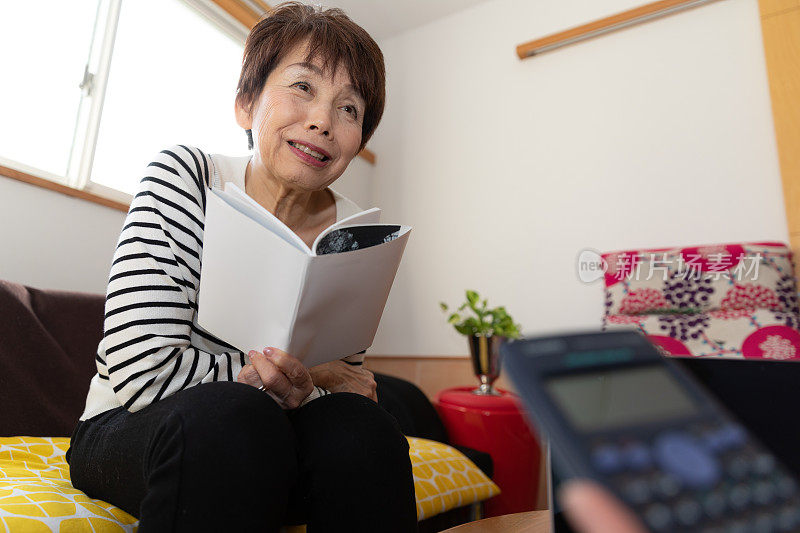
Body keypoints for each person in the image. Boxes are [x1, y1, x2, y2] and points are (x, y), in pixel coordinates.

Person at [65, 3, 418, 532]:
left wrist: (322, 385)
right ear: (246, 104)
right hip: (133, 425)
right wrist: (311, 371)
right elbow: (144, 373)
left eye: (350, 109)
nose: (323, 120)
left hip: (275, 434)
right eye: (303, 87)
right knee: (235, 418)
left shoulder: (353, 231)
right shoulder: (187, 177)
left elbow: (339, 390)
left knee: (365, 431)